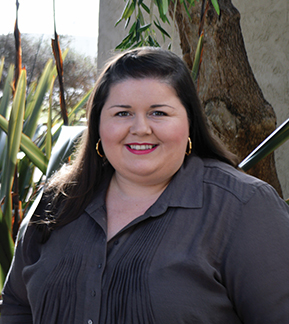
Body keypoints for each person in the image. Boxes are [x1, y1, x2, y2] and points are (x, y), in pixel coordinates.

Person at [1, 47, 289, 324]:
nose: (140, 128)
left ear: (189, 122)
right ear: (98, 126)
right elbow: (16, 307)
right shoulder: (58, 200)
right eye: (122, 113)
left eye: (159, 113)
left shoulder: (244, 207)